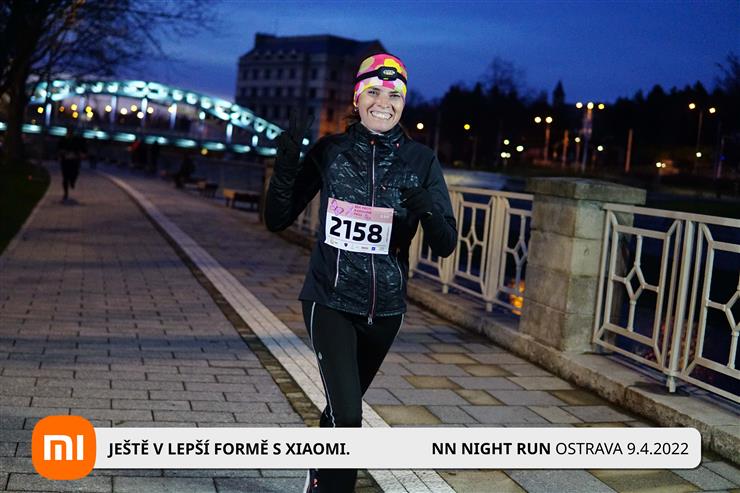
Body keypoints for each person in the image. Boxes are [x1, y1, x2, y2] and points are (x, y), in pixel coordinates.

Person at [264, 53, 457, 493]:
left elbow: (446, 243)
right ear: (357, 98)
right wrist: (288, 163)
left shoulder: (421, 160)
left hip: (385, 311)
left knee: (340, 409)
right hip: (329, 300)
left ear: (404, 103)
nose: (383, 103)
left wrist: (426, 206)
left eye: (394, 95)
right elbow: (277, 218)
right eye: (373, 92)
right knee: (350, 417)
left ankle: (318, 474)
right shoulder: (331, 151)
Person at [57, 128, 87, 201]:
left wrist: (82, 154)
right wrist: (61, 153)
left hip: (75, 160)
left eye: (71, 132)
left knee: (75, 173)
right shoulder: (63, 140)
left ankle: (72, 181)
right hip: (65, 160)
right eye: (69, 132)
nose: (70, 134)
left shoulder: (76, 140)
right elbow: (58, 148)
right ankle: (65, 193)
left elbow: (82, 147)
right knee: (65, 177)